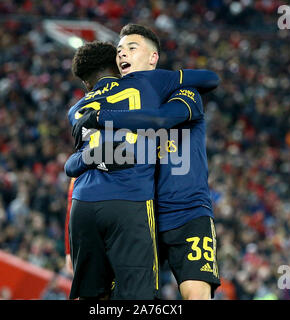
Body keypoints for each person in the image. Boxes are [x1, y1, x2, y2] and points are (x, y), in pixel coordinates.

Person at [68, 24, 221, 300]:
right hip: (142, 212)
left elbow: (161, 120)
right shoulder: (123, 102)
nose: (122, 54)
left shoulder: (183, 92)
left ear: (153, 58)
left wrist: (102, 118)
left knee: (196, 295)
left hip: (186, 212)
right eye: (119, 50)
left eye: (131, 48)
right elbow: (94, 162)